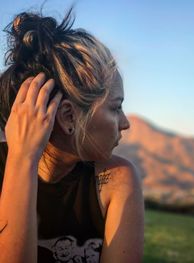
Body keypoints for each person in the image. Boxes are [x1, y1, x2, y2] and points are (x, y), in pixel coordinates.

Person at [0, 8, 144, 263]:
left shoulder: (117, 181)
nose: (125, 123)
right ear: (68, 117)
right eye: (116, 107)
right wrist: (22, 159)